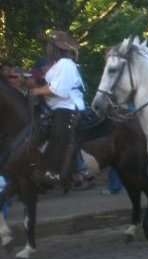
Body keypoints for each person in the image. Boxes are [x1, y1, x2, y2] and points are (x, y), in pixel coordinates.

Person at [30, 31, 91, 188]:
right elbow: (50, 86)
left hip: (68, 108)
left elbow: (59, 91)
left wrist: (36, 91)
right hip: (56, 107)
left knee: (58, 136)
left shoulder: (65, 64)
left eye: (48, 46)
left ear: (54, 48)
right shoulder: (59, 65)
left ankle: (54, 173)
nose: (45, 49)